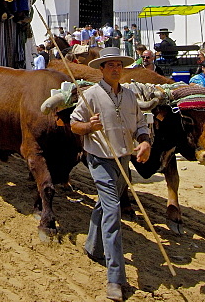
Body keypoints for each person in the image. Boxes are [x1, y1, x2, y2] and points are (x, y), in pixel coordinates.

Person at [70, 47, 149, 302]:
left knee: (104, 206)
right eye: (110, 65)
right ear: (102, 69)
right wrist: (88, 126)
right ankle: (116, 279)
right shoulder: (90, 95)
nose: (115, 69)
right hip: (100, 158)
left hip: (123, 158)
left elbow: (140, 125)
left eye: (119, 65)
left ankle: (93, 247)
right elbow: (74, 124)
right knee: (113, 210)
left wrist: (145, 141)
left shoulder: (129, 96)